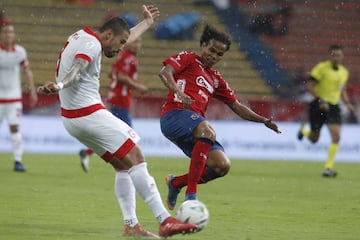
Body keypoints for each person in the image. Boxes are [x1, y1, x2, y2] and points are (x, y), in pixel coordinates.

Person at [37, 5, 197, 238]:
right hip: (88, 113)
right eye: (121, 43)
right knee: (137, 157)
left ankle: (131, 225)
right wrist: (60, 85)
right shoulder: (92, 46)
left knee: (123, 165)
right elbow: (78, 69)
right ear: (108, 35)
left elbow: (123, 34)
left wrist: (146, 23)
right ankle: (165, 220)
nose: (123, 49)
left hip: (72, 118)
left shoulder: (84, 36)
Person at [158, 24, 281, 210]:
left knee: (221, 165)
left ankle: (176, 183)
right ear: (203, 45)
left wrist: (263, 120)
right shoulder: (189, 58)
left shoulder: (216, 78)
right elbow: (165, 72)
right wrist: (178, 91)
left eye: (219, 54)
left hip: (194, 127)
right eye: (211, 50)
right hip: (173, 115)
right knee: (208, 131)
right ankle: (191, 197)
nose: (214, 56)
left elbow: (237, 106)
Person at [79, 37, 148, 172]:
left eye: (139, 42)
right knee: (127, 134)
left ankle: (88, 152)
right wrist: (138, 86)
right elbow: (121, 76)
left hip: (117, 98)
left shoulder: (122, 57)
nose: (138, 45)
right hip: (120, 99)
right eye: (135, 42)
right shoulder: (129, 58)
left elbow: (111, 73)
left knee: (119, 133)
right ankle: (130, 164)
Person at [297, 45, 356, 178]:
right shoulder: (321, 68)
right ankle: (304, 131)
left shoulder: (344, 72)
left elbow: (341, 90)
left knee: (336, 136)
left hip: (334, 106)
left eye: (339, 55)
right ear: (330, 56)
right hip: (318, 105)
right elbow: (310, 86)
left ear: (342, 57)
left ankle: (328, 168)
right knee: (314, 139)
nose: (336, 58)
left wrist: (348, 104)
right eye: (334, 55)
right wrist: (320, 100)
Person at [0, 22, 38, 172]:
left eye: (10, 32)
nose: (8, 35)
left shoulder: (20, 52)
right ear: (1, 34)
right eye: (5, 32)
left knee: (14, 128)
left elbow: (27, 71)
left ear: (13, 35)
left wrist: (32, 90)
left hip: (14, 98)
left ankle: (17, 161)